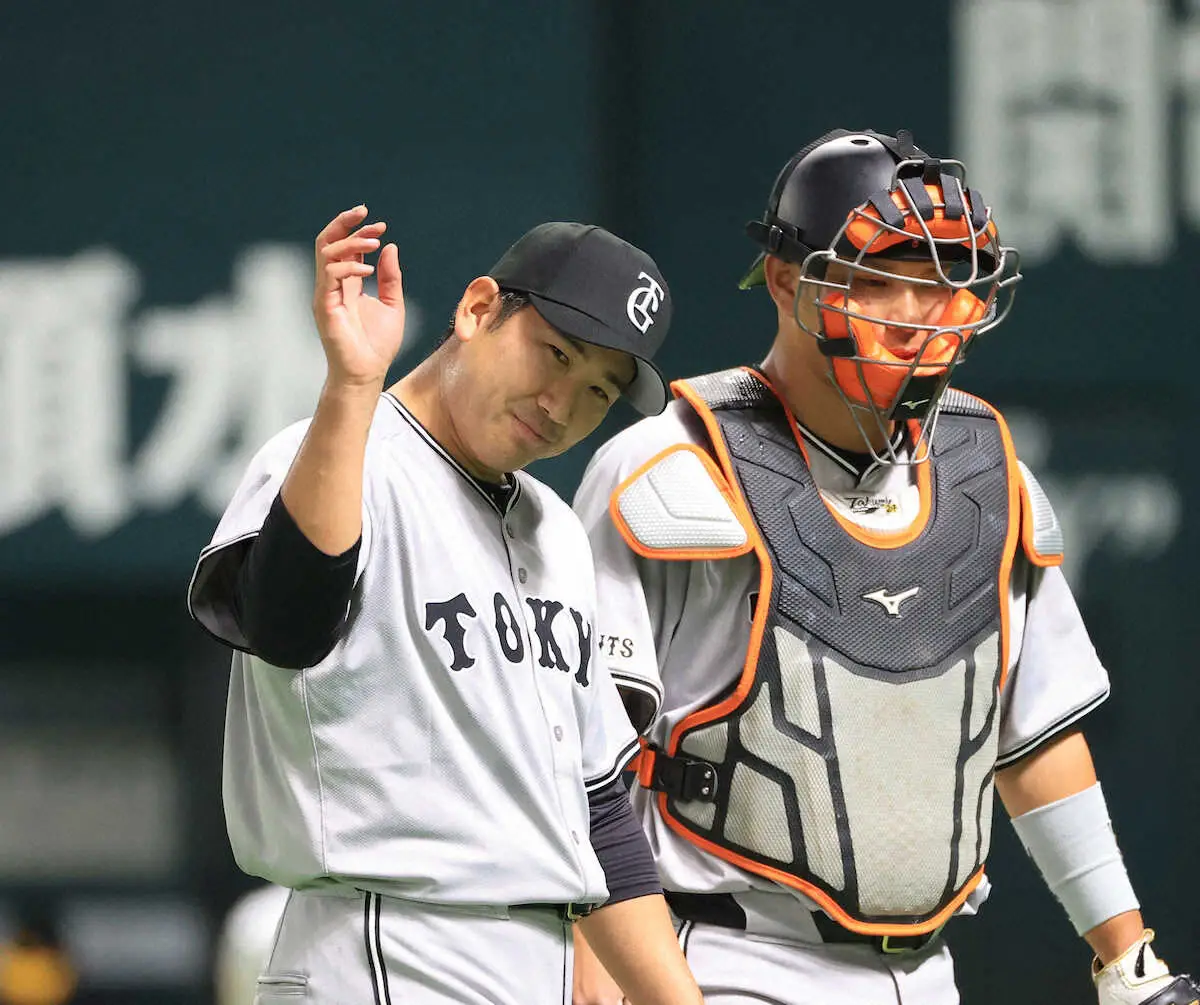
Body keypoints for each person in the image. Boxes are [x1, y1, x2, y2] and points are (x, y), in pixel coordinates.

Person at [572, 130, 1199, 1004]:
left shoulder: (987, 476)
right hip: (723, 961)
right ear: (787, 280)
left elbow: (1036, 738)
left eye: (943, 285)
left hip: (929, 973)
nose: (917, 316)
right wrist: (596, 965)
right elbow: (581, 760)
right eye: (878, 279)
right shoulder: (671, 471)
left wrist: (1128, 960)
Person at [187, 205, 704, 1005]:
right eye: (556, 354)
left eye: (598, 390)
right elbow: (286, 624)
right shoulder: (338, 458)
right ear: (478, 309)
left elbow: (597, 808)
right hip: (388, 945)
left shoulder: (557, 534)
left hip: (535, 957)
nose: (561, 404)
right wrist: (352, 387)